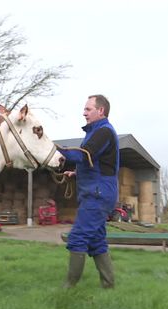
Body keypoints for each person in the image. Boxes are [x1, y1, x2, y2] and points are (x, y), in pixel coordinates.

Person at [58, 95, 119, 288]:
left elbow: (84, 155)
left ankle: (69, 288)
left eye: (88, 109)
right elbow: (95, 164)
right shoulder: (95, 133)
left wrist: (54, 150)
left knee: (78, 238)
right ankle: (109, 287)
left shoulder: (103, 132)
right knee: (96, 241)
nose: (84, 113)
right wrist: (75, 173)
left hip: (98, 195)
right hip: (97, 192)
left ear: (101, 111)